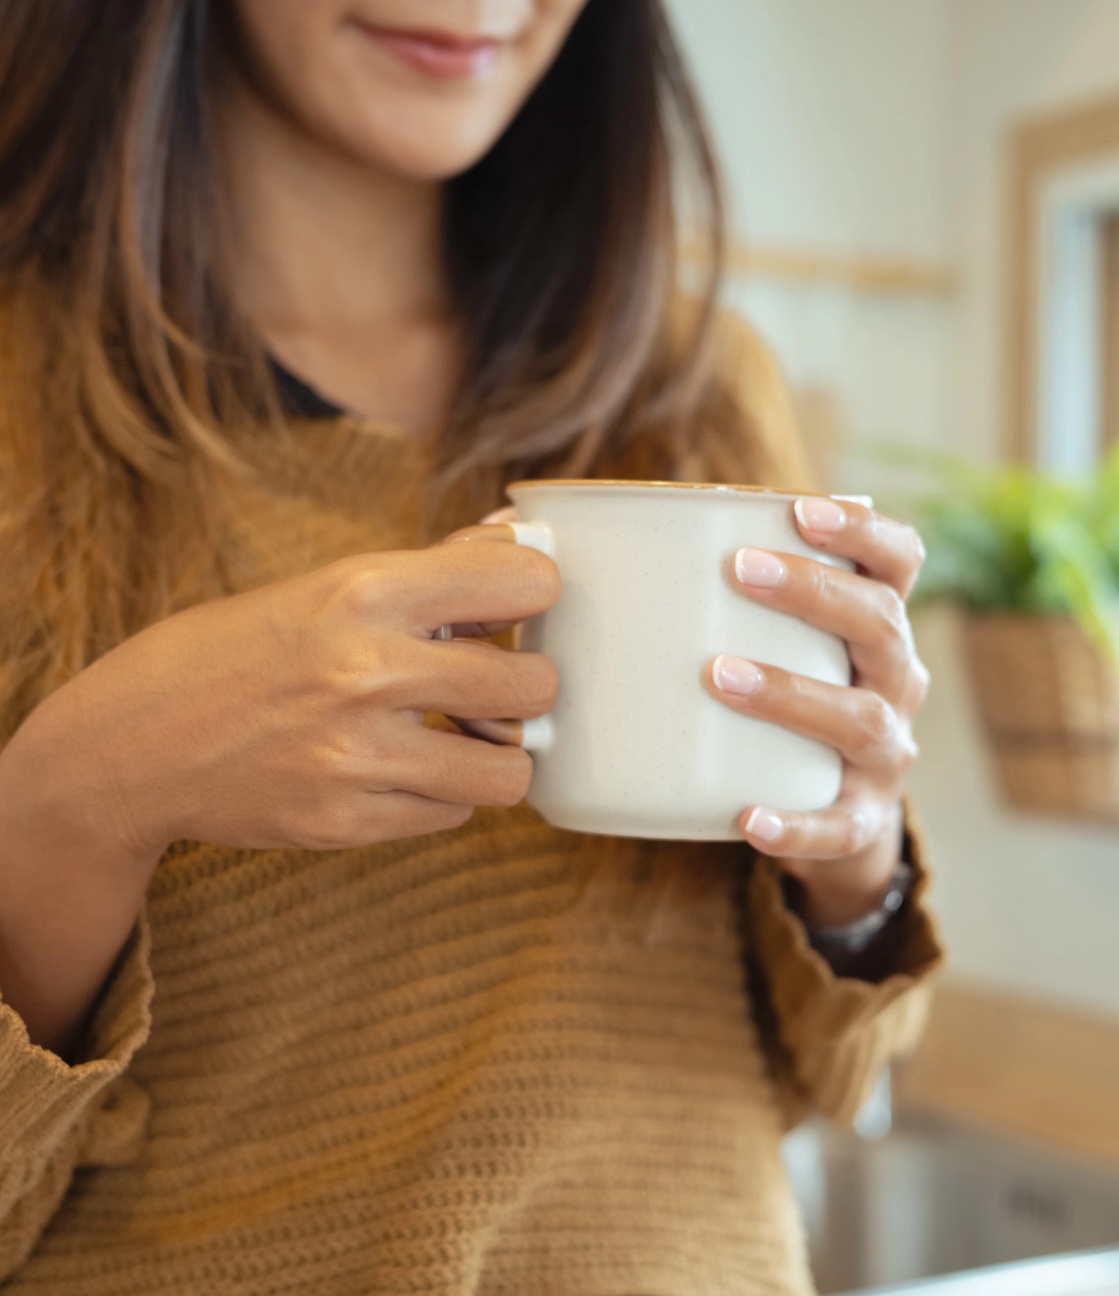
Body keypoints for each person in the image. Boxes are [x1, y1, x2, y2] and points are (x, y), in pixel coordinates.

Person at [0, 1, 943, 1292]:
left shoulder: (703, 392)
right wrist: (79, 797)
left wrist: (858, 860)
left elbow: (834, 1077)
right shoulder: (25, 414)